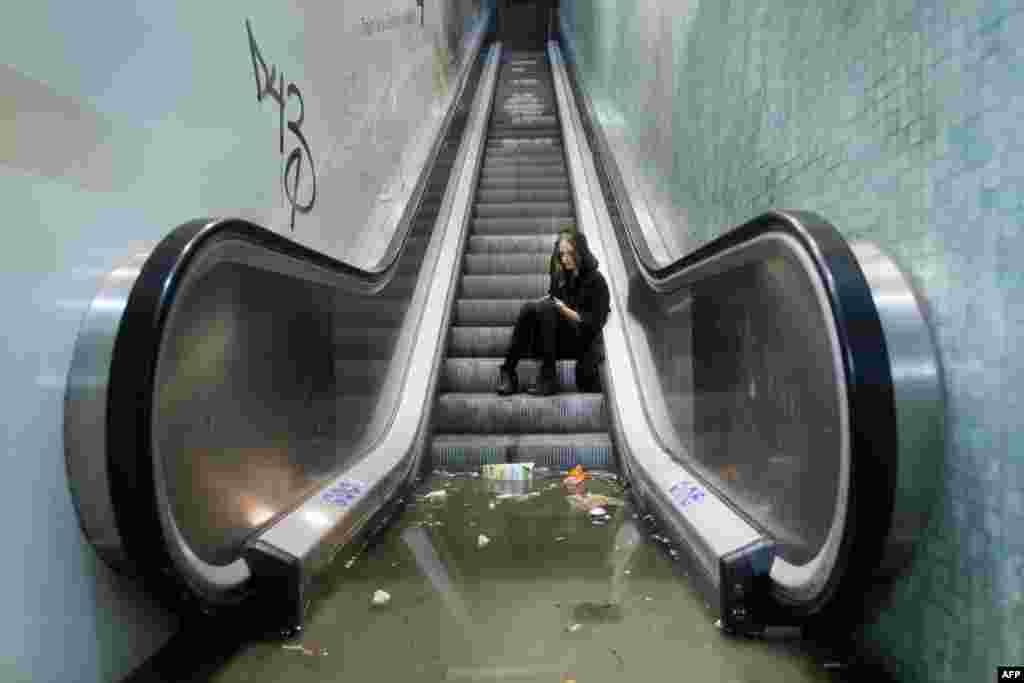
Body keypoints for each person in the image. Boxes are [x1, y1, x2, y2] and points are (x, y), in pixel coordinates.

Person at [496, 229, 610, 396]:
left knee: (548, 307)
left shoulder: (597, 281)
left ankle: (548, 377)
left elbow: (595, 323)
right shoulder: (560, 276)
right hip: (557, 340)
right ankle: (509, 371)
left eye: (570, 254)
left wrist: (564, 309)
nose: (565, 259)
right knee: (530, 308)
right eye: (562, 254)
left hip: (583, 342)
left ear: (581, 252)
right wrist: (551, 305)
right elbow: (551, 310)